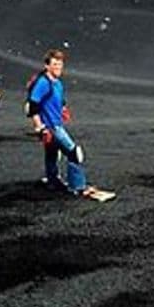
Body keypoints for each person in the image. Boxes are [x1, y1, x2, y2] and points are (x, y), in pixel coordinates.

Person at [27, 48, 113, 200]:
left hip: (56, 123)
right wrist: (40, 128)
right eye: (54, 65)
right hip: (52, 127)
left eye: (60, 65)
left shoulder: (57, 83)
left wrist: (63, 108)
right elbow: (33, 106)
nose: (58, 68)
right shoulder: (43, 83)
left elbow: (60, 99)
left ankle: (52, 181)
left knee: (52, 154)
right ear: (47, 66)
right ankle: (78, 187)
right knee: (74, 153)